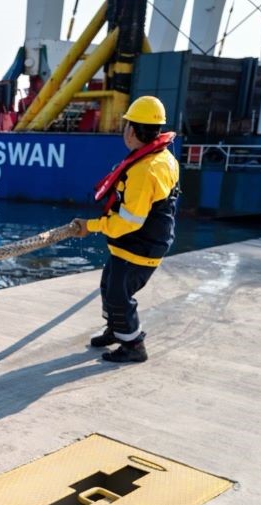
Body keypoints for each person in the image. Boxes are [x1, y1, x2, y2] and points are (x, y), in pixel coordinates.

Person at [73, 95, 180, 363]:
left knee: (119, 295)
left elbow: (129, 221)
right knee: (109, 285)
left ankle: (133, 345)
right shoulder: (163, 157)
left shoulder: (145, 170)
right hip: (135, 243)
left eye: (126, 125)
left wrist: (91, 227)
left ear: (132, 130)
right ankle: (116, 330)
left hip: (139, 245)